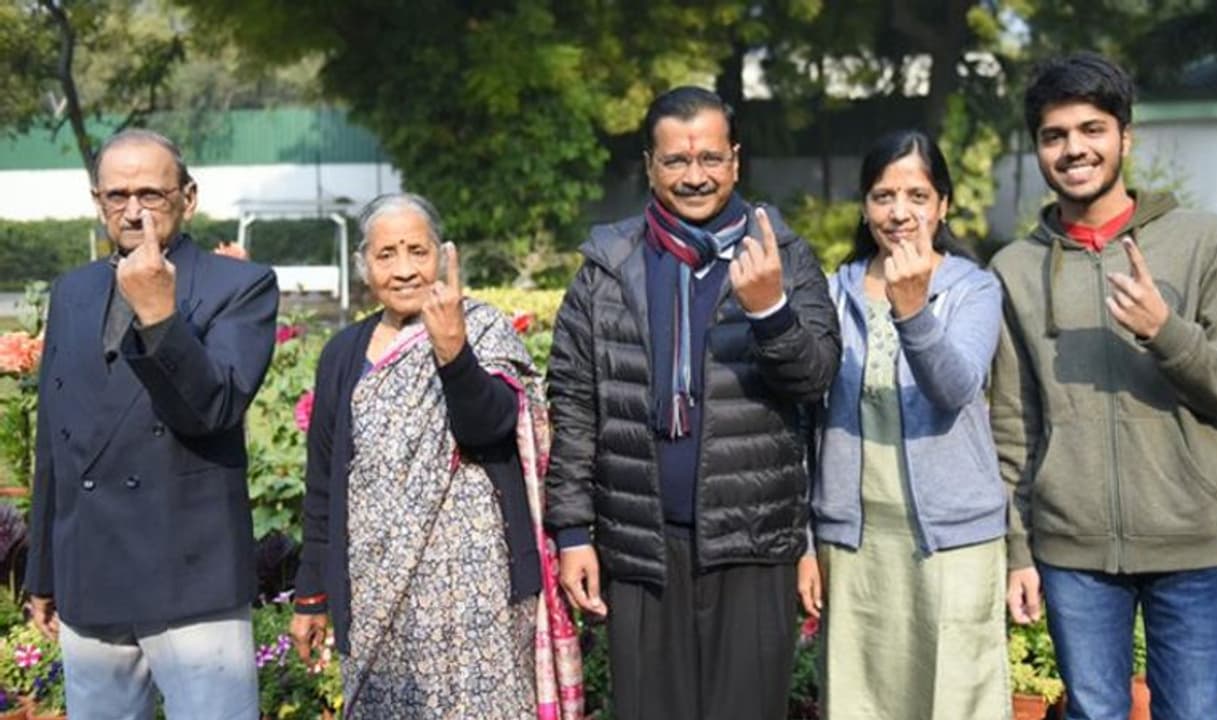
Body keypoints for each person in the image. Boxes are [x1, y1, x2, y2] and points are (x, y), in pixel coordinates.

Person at [545, 86, 840, 720]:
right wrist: (572, 531)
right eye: (676, 161)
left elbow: (814, 380)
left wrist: (770, 310)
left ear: (735, 160)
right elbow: (573, 404)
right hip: (640, 544)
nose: (695, 176)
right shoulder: (607, 266)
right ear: (650, 166)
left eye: (710, 158)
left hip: (753, 540)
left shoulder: (783, 257)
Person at [993, 52, 1217, 720]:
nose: (1074, 149)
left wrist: (1165, 332)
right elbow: (1011, 423)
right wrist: (1017, 549)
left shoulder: (1204, 242)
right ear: (1038, 149)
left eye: (1091, 128)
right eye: (1055, 135)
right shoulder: (1014, 270)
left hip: (1196, 541)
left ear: (1125, 136)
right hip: (1073, 550)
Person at [289, 193, 581, 719]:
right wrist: (311, 594)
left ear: (443, 256)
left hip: (479, 595)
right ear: (364, 266)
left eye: (417, 252)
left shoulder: (482, 328)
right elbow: (324, 485)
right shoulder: (342, 354)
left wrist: (453, 353)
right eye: (386, 255)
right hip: (377, 593)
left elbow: (490, 427)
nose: (403, 270)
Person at [25, 128, 280, 719]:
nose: (134, 211)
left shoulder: (240, 285)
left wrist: (160, 315)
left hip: (191, 574)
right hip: (90, 570)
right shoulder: (73, 291)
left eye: (151, 194)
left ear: (187, 198)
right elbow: (55, 443)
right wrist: (44, 569)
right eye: (117, 196)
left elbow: (213, 407)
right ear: (97, 203)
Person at [801, 129, 1009, 719]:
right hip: (856, 542)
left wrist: (913, 308)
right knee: (860, 698)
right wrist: (805, 542)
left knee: (955, 697)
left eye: (917, 195)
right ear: (865, 209)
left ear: (943, 204)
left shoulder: (972, 289)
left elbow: (955, 388)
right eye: (883, 195)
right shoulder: (833, 294)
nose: (899, 212)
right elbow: (802, 421)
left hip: (952, 540)